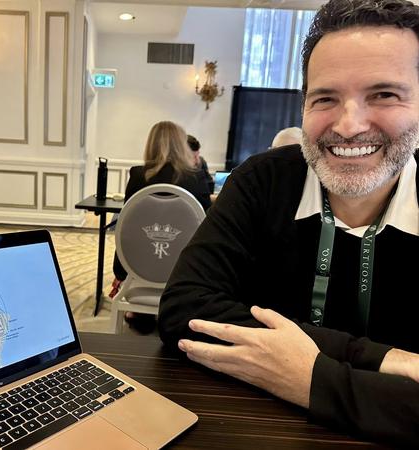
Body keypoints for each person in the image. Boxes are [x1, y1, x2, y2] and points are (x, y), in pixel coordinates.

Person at [158, 0, 419, 446]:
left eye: (384, 95)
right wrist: (381, 360)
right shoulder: (263, 180)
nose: (349, 126)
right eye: (325, 98)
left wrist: (308, 378)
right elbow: (185, 310)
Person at [109, 121, 211, 332]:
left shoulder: (138, 175)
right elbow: (206, 229)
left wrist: (120, 271)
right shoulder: (196, 178)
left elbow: (128, 230)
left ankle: (140, 313)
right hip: (185, 274)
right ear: (181, 145)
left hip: (140, 270)